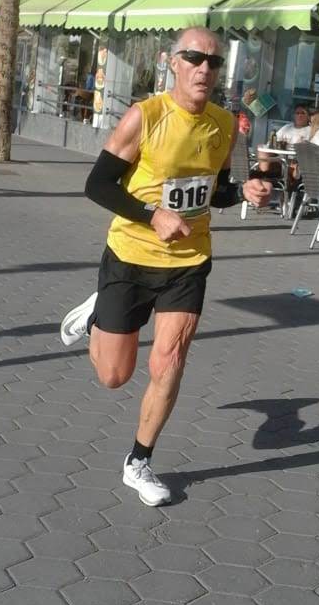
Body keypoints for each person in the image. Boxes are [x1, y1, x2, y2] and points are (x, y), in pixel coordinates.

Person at [59, 28, 271, 507]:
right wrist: (152, 214)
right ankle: (100, 314)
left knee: (170, 360)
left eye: (214, 62)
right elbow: (98, 185)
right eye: (194, 58)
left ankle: (139, 462)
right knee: (114, 375)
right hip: (131, 257)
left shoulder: (222, 124)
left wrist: (244, 193)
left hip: (189, 261)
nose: (204, 68)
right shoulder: (146, 116)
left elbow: (212, 189)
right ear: (172, 62)